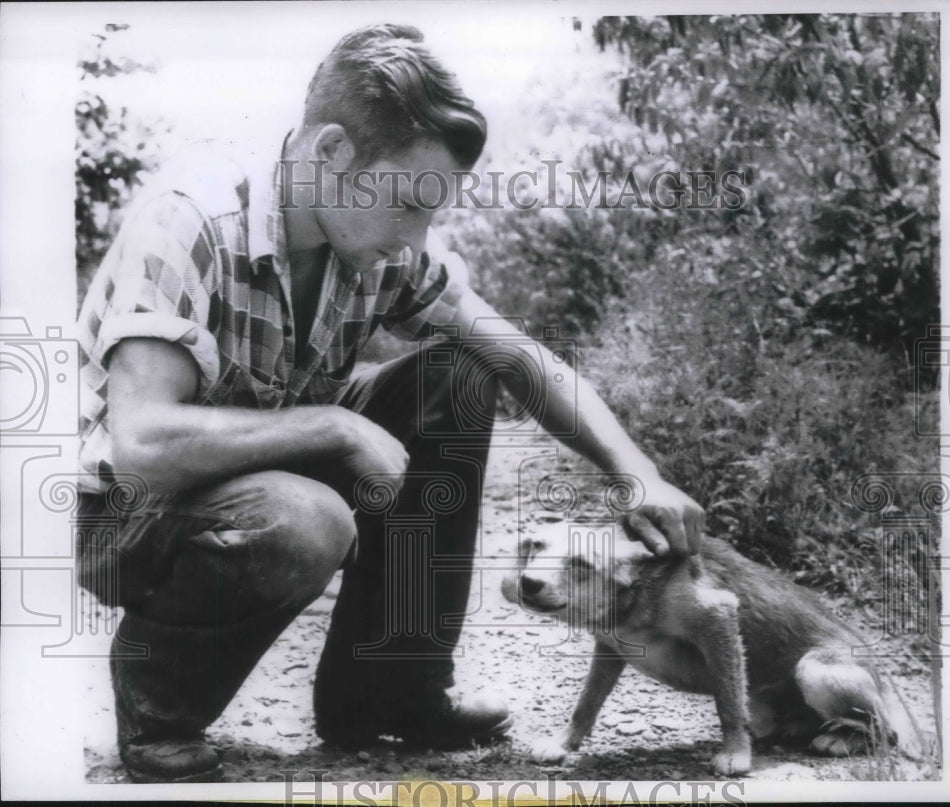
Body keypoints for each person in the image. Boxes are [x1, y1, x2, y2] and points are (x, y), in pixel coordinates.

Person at [75, 23, 705, 784]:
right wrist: (337, 425)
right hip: (124, 516)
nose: (418, 238)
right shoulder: (191, 220)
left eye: (432, 213)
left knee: (462, 374)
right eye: (410, 203)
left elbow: (521, 358)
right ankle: (160, 713)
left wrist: (635, 470)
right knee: (306, 517)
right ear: (331, 155)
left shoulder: (375, 245)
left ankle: (389, 691)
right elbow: (142, 444)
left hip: (259, 474)